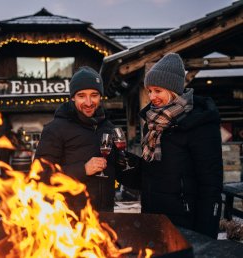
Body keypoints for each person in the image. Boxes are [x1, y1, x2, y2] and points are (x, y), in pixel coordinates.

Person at [123, 53, 223, 238]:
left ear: (173, 90)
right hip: (153, 217)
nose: (152, 96)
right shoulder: (152, 124)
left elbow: (210, 184)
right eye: (149, 90)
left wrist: (205, 234)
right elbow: (148, 174)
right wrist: (120, 159)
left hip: (185, 221)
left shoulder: (199, 124)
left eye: (158, 90)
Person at [34, 66, 128, 213]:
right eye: (82, 96)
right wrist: (82, 169)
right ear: (72, 97)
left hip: (105, 217)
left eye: (94, 95)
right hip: (71, 220)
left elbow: (117, 169)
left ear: (100, 96)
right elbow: (40, 175)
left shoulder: (108, 127)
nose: (89, 102)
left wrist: (123, 159)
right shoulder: (55, 129)